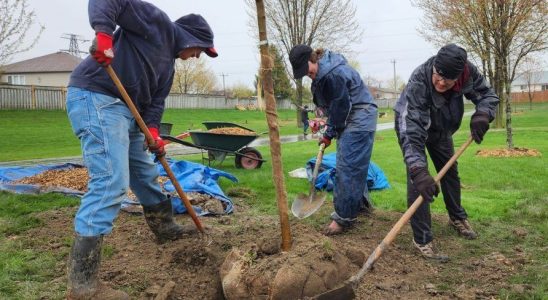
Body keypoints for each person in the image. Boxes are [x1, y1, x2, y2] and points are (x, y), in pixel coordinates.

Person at [65, 0, 217, 298]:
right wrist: (105, 35)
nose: (197, 56)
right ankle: (83, 286)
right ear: (192, 38)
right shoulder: (156, 22)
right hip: (97, 97)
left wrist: (155, 133)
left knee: (146, 174)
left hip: (127, 110)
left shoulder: (168, 68)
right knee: (111, 181)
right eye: (200, 50)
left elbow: (155, 103)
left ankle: (165, 229)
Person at [394, 43, 499, 261]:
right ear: (435, 68)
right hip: (412, 125)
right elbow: (411, 132)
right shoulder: (419, 81)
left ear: (458, 77)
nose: (441, 82)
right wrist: (417, 169)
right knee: (419, 180)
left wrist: (482, 114)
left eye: (447, 80)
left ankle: (457, 218)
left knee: (450, 171)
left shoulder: (468, 73)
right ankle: (422, 239)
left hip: (442, 127)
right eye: (438, 76)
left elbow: (487, 95)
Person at [289, 44, 378, 235]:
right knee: (354, 164)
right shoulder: (324, 71)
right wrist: (328, 129)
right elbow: (332, 106)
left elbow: (341, 107)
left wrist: (329, 134)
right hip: (357, 115)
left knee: (347, 166)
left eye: (307, 70)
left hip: (359, 116)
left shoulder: (332, 74)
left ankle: (344, 218)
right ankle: (360, 205)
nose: (307, 74)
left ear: (312, 59)